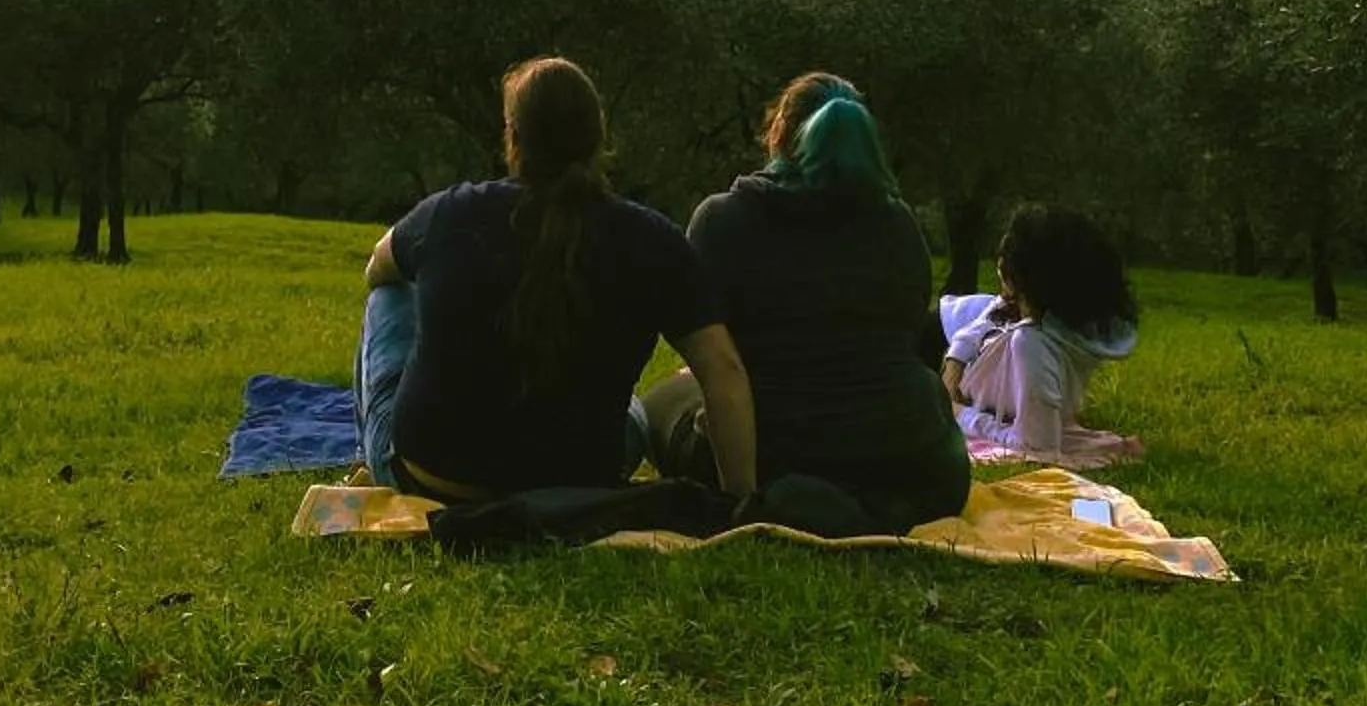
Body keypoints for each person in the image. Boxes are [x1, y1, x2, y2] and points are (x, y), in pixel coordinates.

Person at [354, 56, 756, 503]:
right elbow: (722, 369)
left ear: (514, 136)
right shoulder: (653, 240)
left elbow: (378, 268)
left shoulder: (451, 213)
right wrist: (740, 498)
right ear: (598, 136)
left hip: (432, 478)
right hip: (582, 481)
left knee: (387, 295)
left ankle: (369, 455)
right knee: (637, 415)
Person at [643, 77, 970, 535]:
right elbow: (908, 330)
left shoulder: (723, 220)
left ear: (777, 133)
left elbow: (712, 356)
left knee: (659, 401)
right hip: (915, 465)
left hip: (770, 453)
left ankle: (794, 497)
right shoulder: (898, 224)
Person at [942, 204, 1142, 467]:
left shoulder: (1034, 342)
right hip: (947, 329)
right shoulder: (1059, 316)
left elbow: (1036, 446)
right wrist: (954, 361)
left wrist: (959, 415)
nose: (999, 265)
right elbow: (991, 314)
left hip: (965, 347)